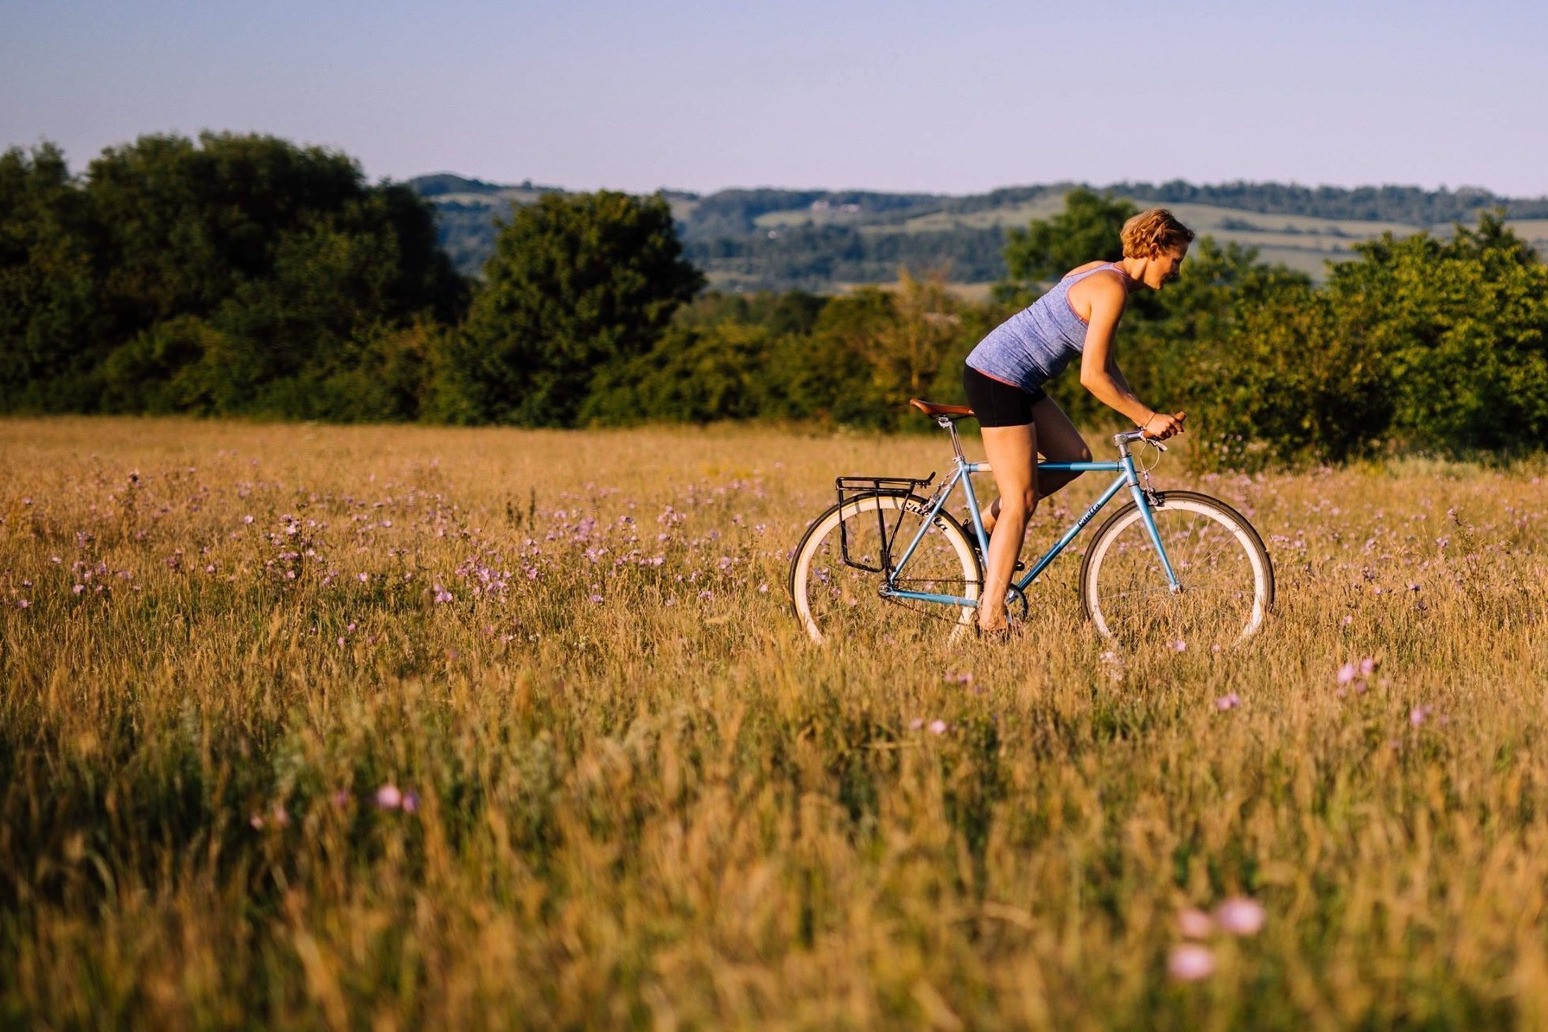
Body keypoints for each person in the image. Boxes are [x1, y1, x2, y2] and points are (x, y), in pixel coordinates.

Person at [961, 207, 1194, 636]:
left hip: (1019, 379)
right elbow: (1092, 376)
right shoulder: (1111, 288)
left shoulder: (1103, 272)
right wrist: (1145, 416)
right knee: (1022, 498)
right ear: (1155, 248)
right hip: (998, 377)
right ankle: (990, 616)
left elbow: (1104, 362)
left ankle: (979, 528)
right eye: (1175, 261)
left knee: (1074, 456)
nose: (1176, 272)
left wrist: (1143, 413)